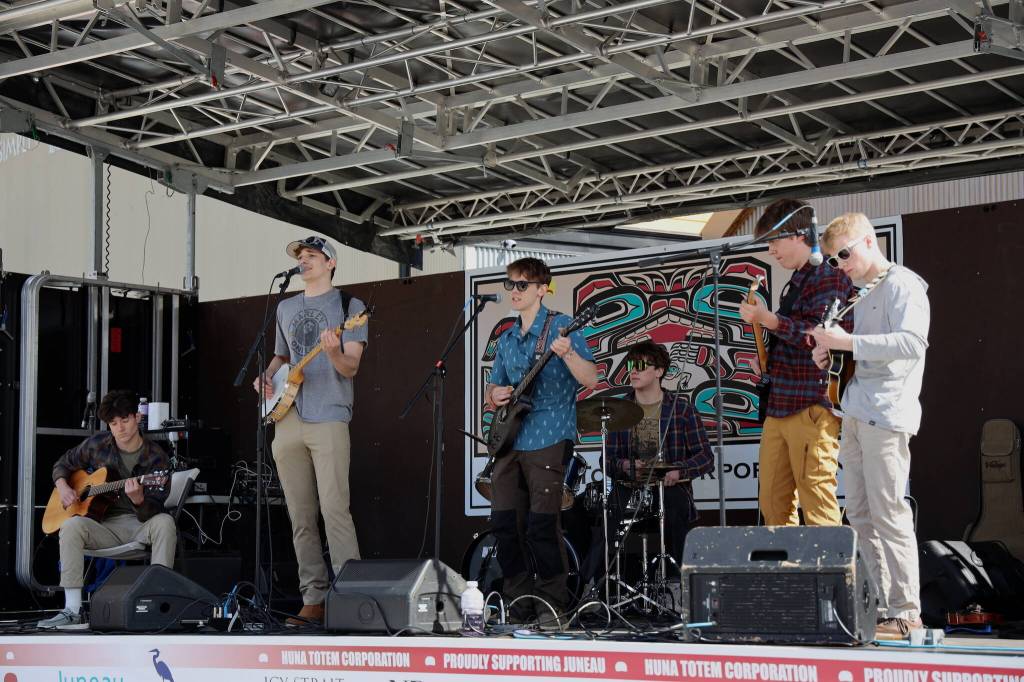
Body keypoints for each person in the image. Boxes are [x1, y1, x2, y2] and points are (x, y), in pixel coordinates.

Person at [809, 212, 929, 640]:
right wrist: (830, 356)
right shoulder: (859, 292)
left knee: (888, 511)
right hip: (855, 410)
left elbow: (912, 343)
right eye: (832, 259)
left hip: (887, 412)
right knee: (859, 513)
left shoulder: (902, 284)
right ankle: (879, 607)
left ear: (870, 241)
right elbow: (857, 357)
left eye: (844, 253)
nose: (840, 263)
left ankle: (907, 609)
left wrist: (848, 343)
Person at [254, 235, 368, 625]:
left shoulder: (350, 307)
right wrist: (266, 378)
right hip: (287, 417)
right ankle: (313, 598)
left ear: (331, 262)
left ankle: (350, 595)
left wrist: (334, 350)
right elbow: (281, 357)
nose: (304, 261)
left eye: (312, 256)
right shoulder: (285, 306)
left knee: (335, 509)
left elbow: (351, 366)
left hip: (330, 415)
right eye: (300, 257)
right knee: (300, 514)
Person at [485, 257, 598, 622]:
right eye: (511, 284)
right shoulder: (506, 337)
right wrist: (495, 394)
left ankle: (552, 604)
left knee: (542, 526)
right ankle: (518, 604)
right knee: (504, 524)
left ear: (540, 289)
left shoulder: (563, 326)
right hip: (510, 442)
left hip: (549, 434)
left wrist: (568, 356)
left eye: (522, 285)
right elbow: (493, 389)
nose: (514, 291)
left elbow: (591, 378)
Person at [738, 198, 853, 527]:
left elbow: (821, 336)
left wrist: (769, 319)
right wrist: (766, 362)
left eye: (774, 241)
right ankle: (787, 575)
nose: (771, 250)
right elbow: (795, 337)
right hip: (780, 404)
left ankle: (830, 576)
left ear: (799, 235)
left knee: (816, 498)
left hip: (811, 405)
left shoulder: (829, 277)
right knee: (772, 500)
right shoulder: (798, 279)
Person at [37, 389, 175, 630]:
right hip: (103, 525)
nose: (119, 428)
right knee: (70, 525)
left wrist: (139, 500)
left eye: (125, 420)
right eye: (113, 423)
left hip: (138, 524)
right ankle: (72, 610)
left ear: (137, 418)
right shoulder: (98, 444)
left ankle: (157, 602)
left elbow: (151, 511)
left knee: (165, 522)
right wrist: (64, 487)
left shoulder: (156, 458)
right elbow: (62, 464)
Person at [604, 341, 714, 566]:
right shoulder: (620, 410)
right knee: (606, 517)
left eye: (641, 365)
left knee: (676, 506)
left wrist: (679, 470)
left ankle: (680, 579)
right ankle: (602, 586)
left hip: (670, 489)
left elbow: (705, 457)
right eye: (630, 365)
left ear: (659, 371)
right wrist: (625, 465)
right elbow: (607, 460)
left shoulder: (681, 409)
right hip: (630, 488)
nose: (633, 370)